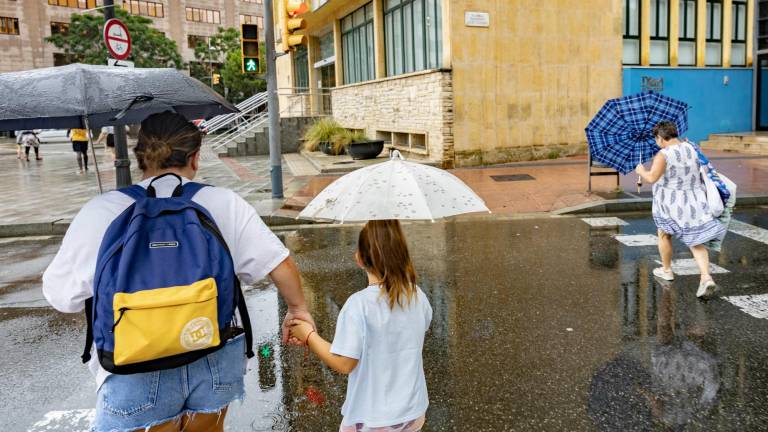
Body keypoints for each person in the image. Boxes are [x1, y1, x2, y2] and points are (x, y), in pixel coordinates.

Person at [43, 112, 315, 432]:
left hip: (133, 363)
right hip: (213, 348)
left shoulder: (102, 210)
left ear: (139, 156)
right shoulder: (223, 201)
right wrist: (298, 310)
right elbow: (278, 263)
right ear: (195, 158)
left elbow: (63, 297)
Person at [289, 220, 432, 432]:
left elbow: (344, 362)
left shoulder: (358, 305)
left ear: (359, 258)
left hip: (373, 419)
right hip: (413, 412)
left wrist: (308, 335)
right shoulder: (416, 295)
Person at [635, 121, 726, 299]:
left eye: (656, 139)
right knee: (696, 241)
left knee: (664, 234)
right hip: (694, 200)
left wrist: (641, 172)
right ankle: (706, 277)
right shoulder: (691, 147)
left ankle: (667, 270)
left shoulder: (663, 154)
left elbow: (652, 177)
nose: (656, 142)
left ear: (661, 138)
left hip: (671, 203)